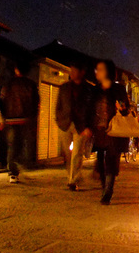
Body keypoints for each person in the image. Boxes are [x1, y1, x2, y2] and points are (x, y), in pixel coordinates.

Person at [90, 60, 130, 205]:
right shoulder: (95, 90)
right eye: (96, 69)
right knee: (100, 161)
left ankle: (108, 192)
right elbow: (90, 110)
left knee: (111, 160)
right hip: (99, 130)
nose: (97, 72)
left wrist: (122, 108)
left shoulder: (119, 89)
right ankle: (104, 187)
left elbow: (126, 110)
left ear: (108, 71)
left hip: (114, 130)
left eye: (100, 69)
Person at [56, 59, 93, 191]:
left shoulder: (89, 89)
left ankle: (73, 180)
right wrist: (59, 120)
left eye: (74, 70)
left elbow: (92, 109)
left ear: (82, 72)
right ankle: (70, 175)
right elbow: (58, 106)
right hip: (65, 123)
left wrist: (89, 126)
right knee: (67, 154)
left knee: (77, 153)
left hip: (82, 126)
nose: (72, 72)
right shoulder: (64, 87)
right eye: (70, 70)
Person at [1, 60, 39, 183]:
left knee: (12, 146)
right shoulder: (31, 85)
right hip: (26, 119)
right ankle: (20, 164)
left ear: (16, 69)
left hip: (11, 120)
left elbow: (2, 100)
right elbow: (36, 103)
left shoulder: (8, 84)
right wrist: (33, 117)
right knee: (25, 145)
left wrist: (3, 117)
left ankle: (12, 172)